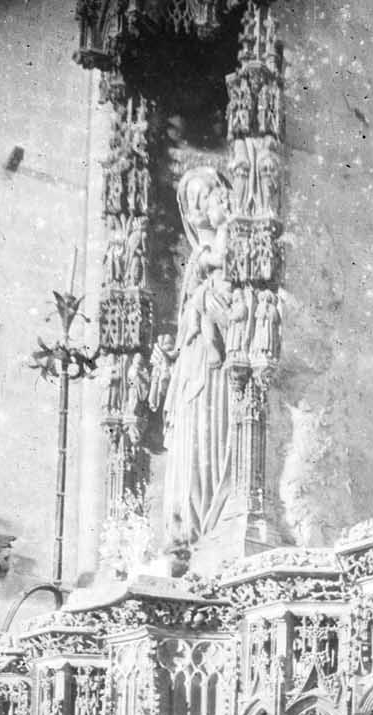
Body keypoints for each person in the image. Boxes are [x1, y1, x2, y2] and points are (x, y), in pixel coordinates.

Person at [158, 165, 234, 550]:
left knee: (210, 431)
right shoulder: (196, 260)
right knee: (190, 438)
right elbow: (186, 315)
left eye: (207, 194)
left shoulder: (228, 245)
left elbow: (231, 301)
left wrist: (206, 304)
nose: (200, 204)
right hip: (191, 363)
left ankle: (209, 517)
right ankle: (185, 525)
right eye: (193, 199)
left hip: (214, 363)